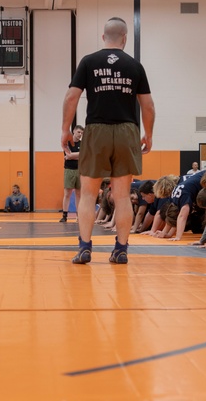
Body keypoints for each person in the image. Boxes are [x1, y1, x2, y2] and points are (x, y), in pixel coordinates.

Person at [61, 17, 155, 264]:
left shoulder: (89, 62)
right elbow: (148, 105)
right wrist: (148, 134)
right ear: (125, 37)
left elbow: (71, 98)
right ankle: (121, 249)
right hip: (127, 130)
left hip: (97, 129)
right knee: (122, 195)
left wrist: (65, 130)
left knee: (89, 194)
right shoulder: (135, 66)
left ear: (104, 37)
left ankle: (84, 248)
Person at [60, 125, 83, 222]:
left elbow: (84, 155)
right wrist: (76, 155)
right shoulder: (67, 143)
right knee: (67, 193)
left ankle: (79, 216)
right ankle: (65, 215)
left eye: (81, 133)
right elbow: (67, 155)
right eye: (78, 132)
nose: (80, 135)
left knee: (78, 194)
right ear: (74, 131)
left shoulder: (83, 144)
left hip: (80, 170)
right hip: (69, 169)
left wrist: (72, 156)